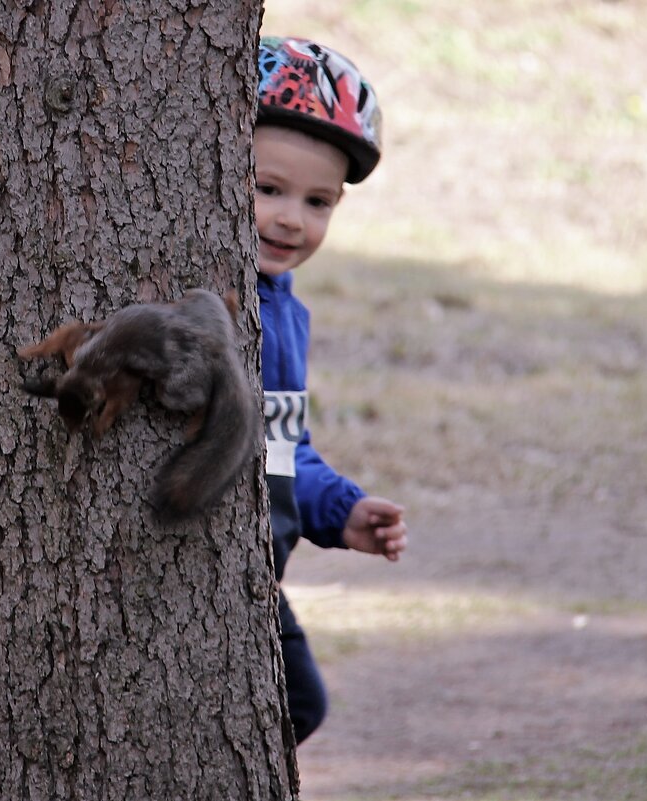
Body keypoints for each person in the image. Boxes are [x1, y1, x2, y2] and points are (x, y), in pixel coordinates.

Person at [254, 36, 409, 744]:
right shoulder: (217, 303)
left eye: (319, 201)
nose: (293, 218)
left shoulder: (288, 313)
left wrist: (340, 511)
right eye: (268, 189)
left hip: (255, 572)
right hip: (199, 564)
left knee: (298, 705)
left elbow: (281, 447)